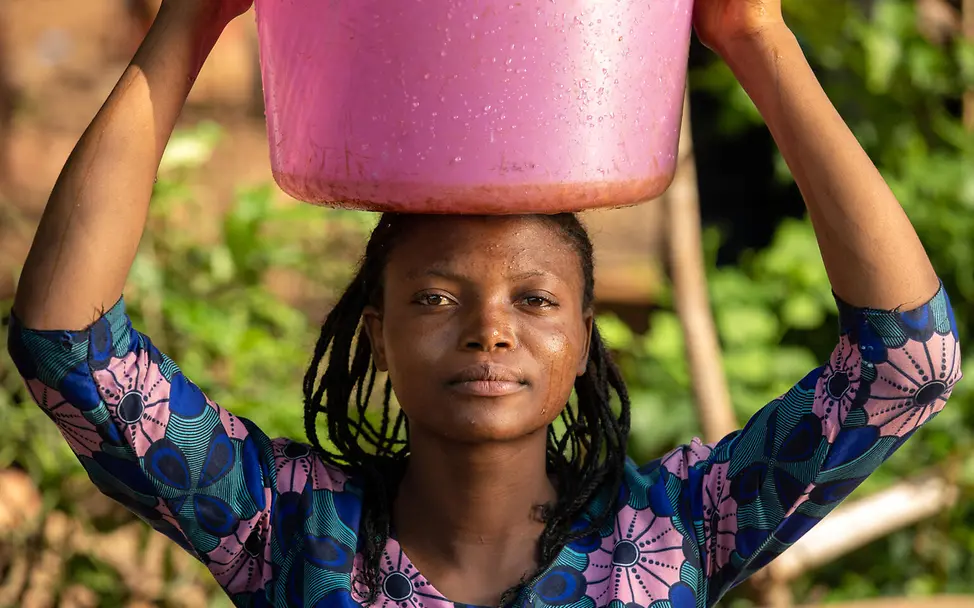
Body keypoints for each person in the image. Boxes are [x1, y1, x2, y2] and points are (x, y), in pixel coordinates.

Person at [6, 0, 963, 605]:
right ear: (378, 337)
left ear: (585, 340)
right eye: (435, 297)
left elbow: (907, 365)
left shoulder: (678, 530)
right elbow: (66, 344)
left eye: (536, 300)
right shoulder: (286, 527)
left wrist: (757, 36)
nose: (490, 329)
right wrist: (191, 20)